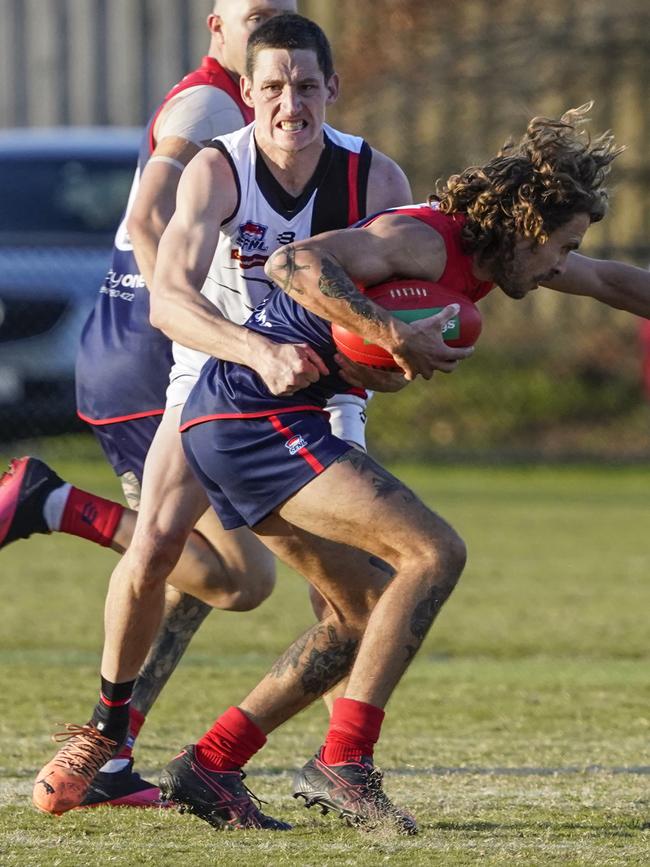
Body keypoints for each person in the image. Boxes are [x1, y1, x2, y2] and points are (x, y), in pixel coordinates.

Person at [37, 102, 650, 835]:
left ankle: (212, 763)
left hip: (245, 420)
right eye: (561, 244)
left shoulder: (506, 257)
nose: (562, 261)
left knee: (360, 612)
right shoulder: (423, 239)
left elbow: (615, 283)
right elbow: (293, 262)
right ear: (525, 225)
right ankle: (344, 762)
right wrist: (393, 333)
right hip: (250, 411)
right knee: (432, 551)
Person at [29, 14, 422, 826]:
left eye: (306, 86)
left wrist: (396, 346)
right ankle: (104, 731)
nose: (290, 104)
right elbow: (170, 301)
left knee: (349, 588)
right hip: (213, 374)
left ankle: (342, 761)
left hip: (326, 396)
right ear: (246, 94)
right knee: (159, 544)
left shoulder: (376, 179)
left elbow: (402, 295)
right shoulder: (217, 169)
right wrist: (254, 350)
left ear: (333, 89)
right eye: (272, 87)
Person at [0, 0, 306, 810]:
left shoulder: (254, 107)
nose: (270, 26)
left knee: (195, 573)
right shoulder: (209, 102)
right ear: (217, 25)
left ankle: (109, 755)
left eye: (286, 14)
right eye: (256, 15)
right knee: (236, 577)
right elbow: (143, 219)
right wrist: (186, 311)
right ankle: (49, 501)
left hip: (149, 356)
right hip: (149, 357)